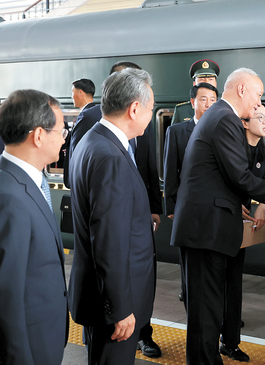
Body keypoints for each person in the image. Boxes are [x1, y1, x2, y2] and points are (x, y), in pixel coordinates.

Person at [170, 67, 265, 365]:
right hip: (205, 231)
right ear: (243, 90)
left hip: (208, 228)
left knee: (208, 310)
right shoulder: (225, 119)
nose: (259, 103)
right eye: (258, 95)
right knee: (205, 313)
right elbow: (239, 176)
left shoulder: (221, 116)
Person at [68, 68, 157, 365]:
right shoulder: (110, 157)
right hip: (115, 306)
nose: (150, 115)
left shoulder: (93, 141)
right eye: (150, 108)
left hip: (101, 294)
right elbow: (109, 239)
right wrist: (119, 308)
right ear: (134, 108)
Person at [0, 89, 68, 365]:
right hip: (29, 348)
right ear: (38, 135)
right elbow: (6, 295)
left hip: (44, 336)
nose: (65, 140)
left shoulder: (23, 181)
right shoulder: (10, 198)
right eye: (62, 131)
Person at [220, 104, 265, 362]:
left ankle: (230, 342)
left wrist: (261, 209)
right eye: (260, 117)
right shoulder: (233, 145)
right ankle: (213, 337)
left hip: (241, 226)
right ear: (244, 122)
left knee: (234, 284)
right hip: (220, 222)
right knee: (216, 286)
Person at [164, 82, 218, 303]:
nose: (209, 105)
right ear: (193, 102)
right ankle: (189, 298)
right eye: (204, 99)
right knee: (190, 265)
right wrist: (172, 206)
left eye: (213, 101)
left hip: (213, 210)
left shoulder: (222, 130)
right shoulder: (177, 131)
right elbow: (170, 171)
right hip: (187, 209)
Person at [63, 78, 96, 188]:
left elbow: (77, 150)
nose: (71, 97)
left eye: (72, 93)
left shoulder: (85, 116)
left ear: (80, 93)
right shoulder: (97, 112)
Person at [170, 59, 220, 125]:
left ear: (215, 84)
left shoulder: (223, 108)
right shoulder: (181, 110)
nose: (206, 83)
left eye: (210, 79)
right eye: (201, 79)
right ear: (194, 84)